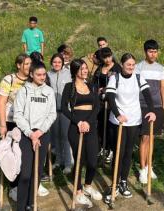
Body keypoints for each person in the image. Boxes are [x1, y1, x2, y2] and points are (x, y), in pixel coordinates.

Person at [104, 53, 156, 203]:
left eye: (133, 65)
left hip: (134, 120)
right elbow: (110, 97)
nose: (131, 67)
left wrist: (152, 110)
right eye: (128, 65)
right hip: (118, 121)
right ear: (122, 64)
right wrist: (118, 114)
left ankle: (123, 182)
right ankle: (113, 184)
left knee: (128, 153)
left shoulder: (138, 77)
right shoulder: (115, 78)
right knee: (118, 153)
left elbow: (147, 94)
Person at [14, 62, 57, 211]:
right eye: (38, 74)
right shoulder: (23, 91)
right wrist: (31, 134)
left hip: (43, 134)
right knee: (26, 173)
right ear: (31, 74)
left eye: (44, 74)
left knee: (37, 172)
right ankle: (20, 206)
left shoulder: (49, 91)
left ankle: (31, 204)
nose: (42, 77)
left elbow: (52, 114)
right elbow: (18, 115)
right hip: (27, 135)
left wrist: (40, 132)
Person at [61, 59, 102, 208]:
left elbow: (97, 107)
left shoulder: (91, 86)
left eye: (86, 68)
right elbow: (64, 108)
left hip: (90, 126)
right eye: (82, 68)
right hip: (75, 127)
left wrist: (88, 122)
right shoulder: (69, 87)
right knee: (80, 160)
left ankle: (88, 185)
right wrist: (79, 122)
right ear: (75, 71)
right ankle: (78, 192)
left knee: (92, 161)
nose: (85, 70)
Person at [0, 53, 32, 201]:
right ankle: (13, 187)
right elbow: (1, 103)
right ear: (19, 65)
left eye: (31, 64)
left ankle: (26, 183)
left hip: (28, 123)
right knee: (12, 155)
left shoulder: (32, 79)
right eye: (27, 64)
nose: (30, 67)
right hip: (11, 122)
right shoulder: (9, 80)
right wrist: (3, 124)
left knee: (26, 154)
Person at [135, 39, 164, 184]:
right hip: (143, 106)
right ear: (145, 52)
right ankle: (142, 169)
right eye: (150, 51)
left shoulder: (161, 68)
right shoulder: (138, 67)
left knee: (152, 138)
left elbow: (163, 88)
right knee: (145, 138)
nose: (153, 54)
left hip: (157, 107)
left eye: (155, 51)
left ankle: (149, 167)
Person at [92, 47, 122, 164]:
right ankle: (102, 148)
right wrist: (97, 90)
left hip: (112, 103)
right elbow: (93, 83)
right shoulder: (100, 69)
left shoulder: (117, 68)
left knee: (110, 127)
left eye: (109, 56)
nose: (108, 59)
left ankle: (111, 150)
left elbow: (120, 84)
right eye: (105, 57)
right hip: (100, 103)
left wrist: (106, 89)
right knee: (101, 126)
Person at [47, 53, 74, 174]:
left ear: (63, 63)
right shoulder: (47, 75)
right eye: (54, 62)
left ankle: (68, 163)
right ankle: (58, 160)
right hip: (52, 111)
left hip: (65, 111)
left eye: (59, 62)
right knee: (55, 136)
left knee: (66, 136)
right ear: (51, 63)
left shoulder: (68, 74)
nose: (57, 64)